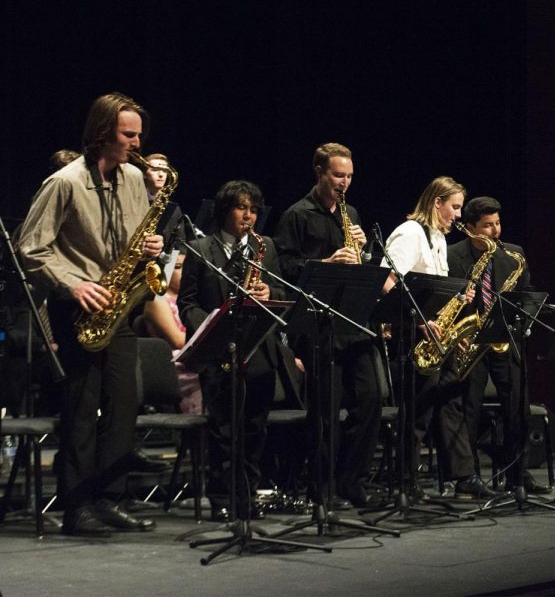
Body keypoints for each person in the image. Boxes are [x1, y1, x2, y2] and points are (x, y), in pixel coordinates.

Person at [16, 92, 162, 536]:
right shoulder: (64, 182)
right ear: (102, 133)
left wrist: (150, 249)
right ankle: (76, 508)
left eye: (139, 134)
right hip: (77, 305)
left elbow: (134, 240)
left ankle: (110, 498)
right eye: (128, 134)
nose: (137, 143)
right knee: (81, 409)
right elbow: (29, 249)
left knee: (123, 405)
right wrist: (74, 283)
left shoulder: (136, 179)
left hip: (118, 305)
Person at [178, 179, 301, 521]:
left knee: (255, 427)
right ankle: (220, 496)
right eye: (241, 208)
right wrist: (213, 326)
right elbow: (187, 304)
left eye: (253, 209)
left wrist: (267, 290)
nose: (248, 215)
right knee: (223, 429)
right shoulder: (201, 249)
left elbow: (279, 291)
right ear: (224, 211)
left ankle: (247, 495)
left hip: (258, 349)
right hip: (218, 350)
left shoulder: (266, 247)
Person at [273, 142, 383, 508]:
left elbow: (359, 270)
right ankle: (322, 488)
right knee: (326, 410)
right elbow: (284, 269)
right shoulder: (297, 215)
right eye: (338, 175)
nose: (345, 183)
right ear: (319, 173)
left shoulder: (349, 213)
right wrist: (324, 262)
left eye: (350, 176)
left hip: (352, 321)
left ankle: (352, 480)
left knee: (371, 398)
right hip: (317, 326)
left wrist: (364, 254)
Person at [380, 177, 497, 499]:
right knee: (417, 413)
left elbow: (436, 292)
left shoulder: (438, 238)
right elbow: (387, 282)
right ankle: (406, 483)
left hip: (436, 334)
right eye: (455, 207)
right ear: (437, 203)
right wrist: (419, 322)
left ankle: (463, 476)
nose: (458, 215)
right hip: (411, 335)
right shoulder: (409, 233)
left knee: (450, 402)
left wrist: (455, 315)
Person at [445, 196, 549, 494]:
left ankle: (518, 475)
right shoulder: (453, 256)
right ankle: (468, 477)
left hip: (506, 340)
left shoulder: (513, 254)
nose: (495, 231)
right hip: (471, 343)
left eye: (498, 224)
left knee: (518, 408)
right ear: (470, 228)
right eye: (487, 226)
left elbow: (526, 294)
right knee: (468, 410)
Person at [142, 253, 202, 415]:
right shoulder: (157, 301)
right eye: (177, 267)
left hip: (199, 360)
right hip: (180, 367)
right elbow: (179, 341)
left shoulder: (192, 299)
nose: (184, 271)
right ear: (165, 270)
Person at [140, 152, 184, 257]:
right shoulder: (133, 200)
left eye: (165, 170)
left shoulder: (173, 209)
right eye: (155, 170)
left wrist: (169, 271)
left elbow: (178, 243)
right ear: (144, 174)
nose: (161, 174)